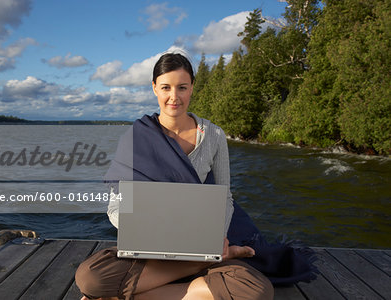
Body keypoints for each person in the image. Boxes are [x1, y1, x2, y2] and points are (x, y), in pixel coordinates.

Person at [75, 52, 315, 300]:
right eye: (166, 87)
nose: (174, 96)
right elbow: (116, 204)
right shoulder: (135, 137)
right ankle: (194, 270)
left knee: (256, 291)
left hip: (200, 244)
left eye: (182, 87)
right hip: (152, 247)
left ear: (192, 89)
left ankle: (128, 295)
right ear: (155, 88)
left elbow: (225, 197)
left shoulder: (214, 135)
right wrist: (143, 227)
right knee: (90, 277)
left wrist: (217, 240)